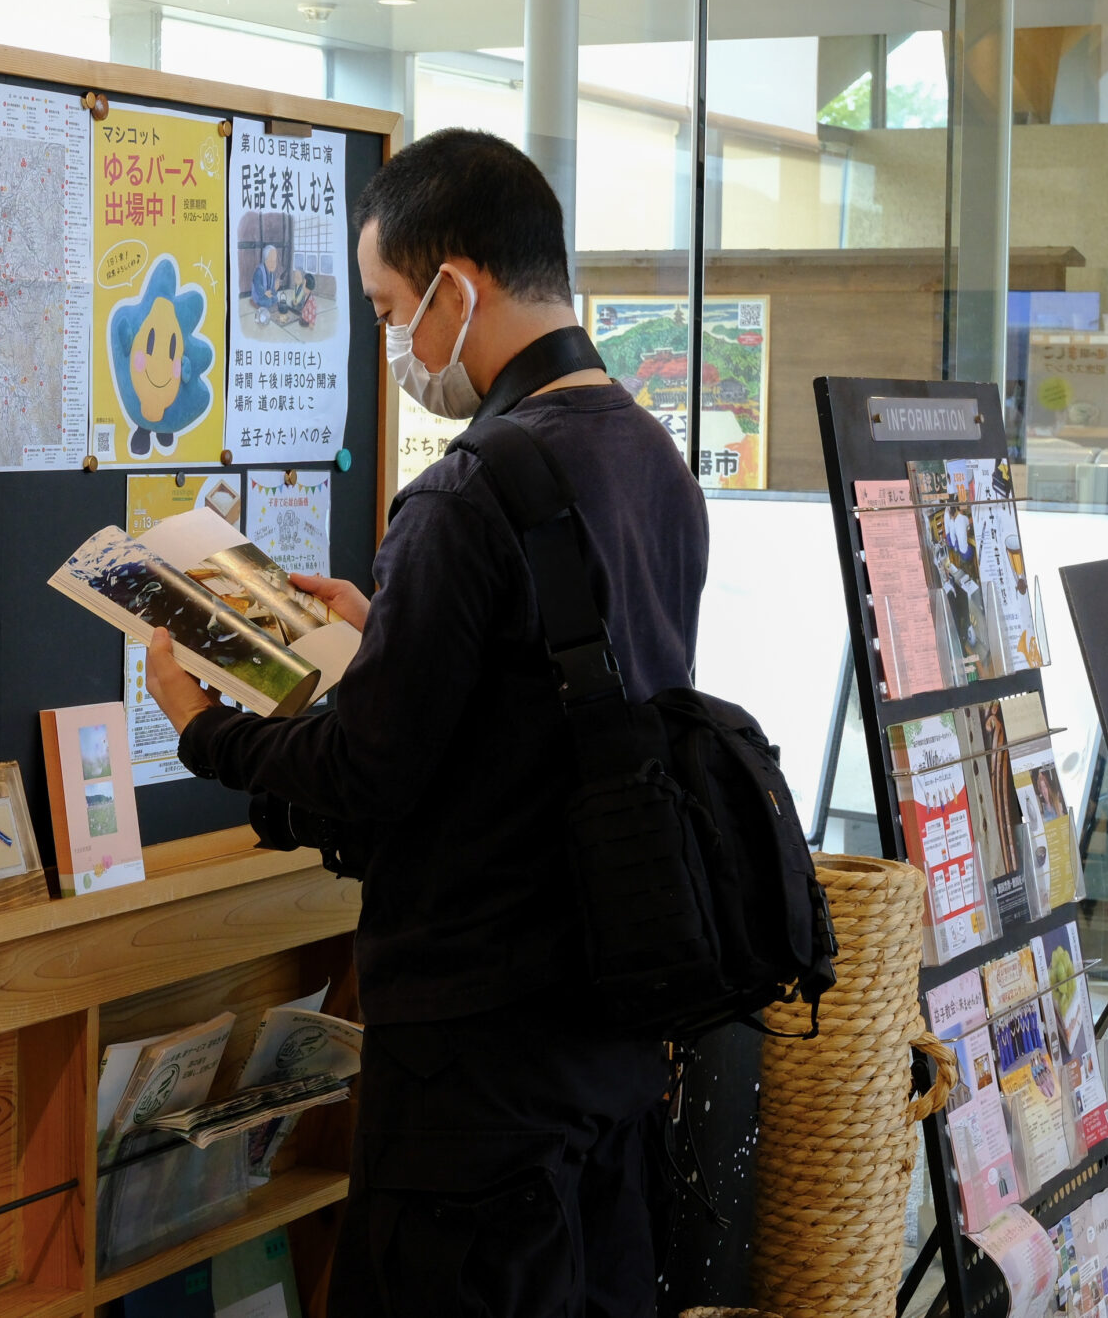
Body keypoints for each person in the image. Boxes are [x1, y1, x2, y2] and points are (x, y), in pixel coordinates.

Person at [143, 128, 708, 1318]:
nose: (396, 343)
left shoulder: (466, 489)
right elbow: (554, 692)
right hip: (612, 1005)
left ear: (457, 286)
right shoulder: (651, 456)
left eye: (392, 305)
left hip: (474, 1044)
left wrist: (203, 728)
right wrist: (390, 619)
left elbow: (368, 768)